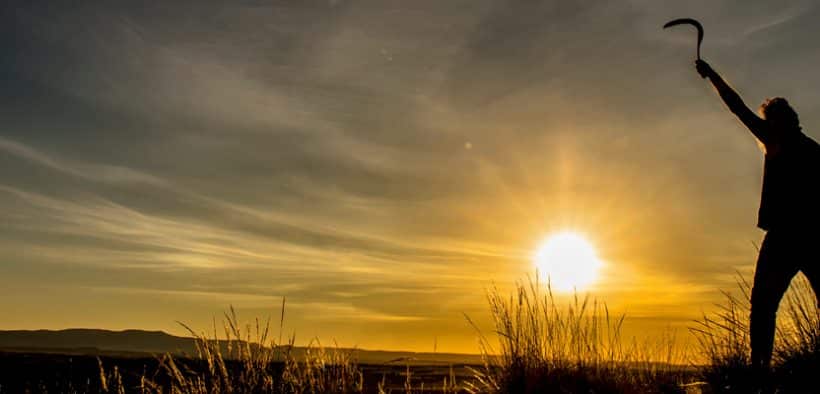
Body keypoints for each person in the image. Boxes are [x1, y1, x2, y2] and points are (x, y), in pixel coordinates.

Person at [695, 59, 820, 370]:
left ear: (779, 121)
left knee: (763, 306)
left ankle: (760, 369)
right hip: (813, 237)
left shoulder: (779, 140)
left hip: (785, 238)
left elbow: (737, 107)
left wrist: (712, 75)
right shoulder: (813, 149)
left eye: (771, 119)